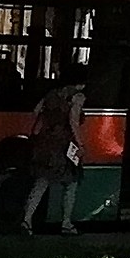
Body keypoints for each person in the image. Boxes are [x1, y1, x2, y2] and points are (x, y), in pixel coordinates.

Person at [17, 80, 86, 235]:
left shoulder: (51, 94)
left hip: (45, 143)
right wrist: (80, 145)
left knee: (42, 181)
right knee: (71, 183)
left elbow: (36, 112)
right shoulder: (77, 96)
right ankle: (66, 223)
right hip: (64, 145)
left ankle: (27, 220)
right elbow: (73, 121)